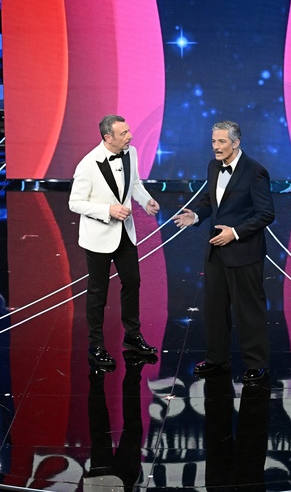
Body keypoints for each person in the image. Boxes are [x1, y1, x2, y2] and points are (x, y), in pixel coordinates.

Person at [174, 120, 275, 384]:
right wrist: (196, 216)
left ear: (236, 143)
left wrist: (235, 232)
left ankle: (257, 364)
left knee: (248, 310)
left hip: (244, 253)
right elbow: (211, 200)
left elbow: (266, 213)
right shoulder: (213, 166)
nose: (216, 147)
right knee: (215, 309)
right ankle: (217, 359)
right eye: (213, 141)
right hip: (216, 251)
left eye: (221, 141)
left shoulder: (255, 172)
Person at [69, 115, 160, 368]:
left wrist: (146, 201)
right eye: (124, 133)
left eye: (128, 131)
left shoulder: (131, 153)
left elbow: (135, 183)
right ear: (108, 137)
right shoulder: (88, 164)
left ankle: (132, 336)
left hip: (125, 234)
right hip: (98, 237)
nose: (130, 136)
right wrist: (107, 210)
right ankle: (96, 345)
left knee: (132, 282)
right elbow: (75, 203)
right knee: (98, 291)